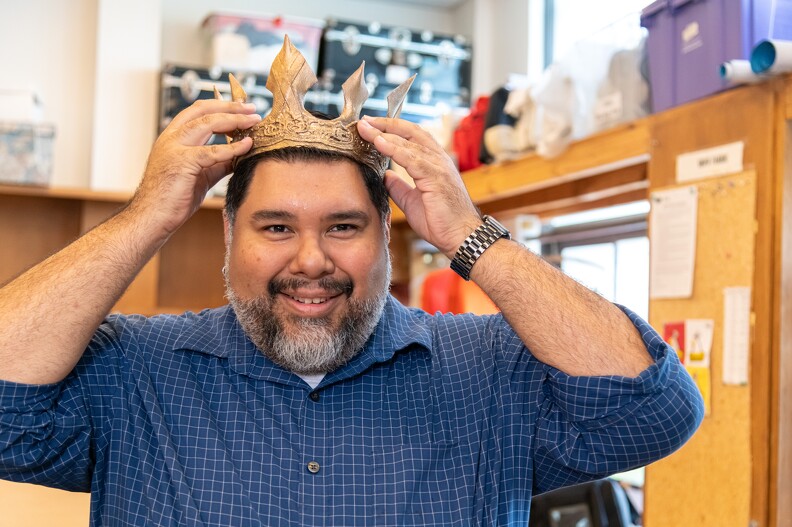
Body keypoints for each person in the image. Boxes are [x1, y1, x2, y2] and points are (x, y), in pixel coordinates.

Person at [0, 37, 703, 526]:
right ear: (227, 232)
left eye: (343, 226)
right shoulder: (132, 373)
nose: (310, 260)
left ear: (387, 232)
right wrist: (144, 219)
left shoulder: (492, 373)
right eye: (275, 227)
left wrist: (470, 235)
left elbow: (654, 407)